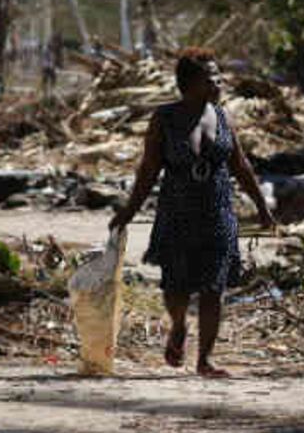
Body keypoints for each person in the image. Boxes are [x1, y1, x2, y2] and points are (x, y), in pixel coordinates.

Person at [110, 48, 277, 378]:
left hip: (218, 212)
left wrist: (261, 207)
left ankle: (205, 360)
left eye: (219, 77)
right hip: (176, 211)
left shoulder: (221, 116)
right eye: (211, 78)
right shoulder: (165, 118)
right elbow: (148, 170)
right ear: (189, 83)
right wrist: (129, 210)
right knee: (176, 285)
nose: (218, 83)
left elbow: (240, 165)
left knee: (214, 288)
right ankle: (178, 326)